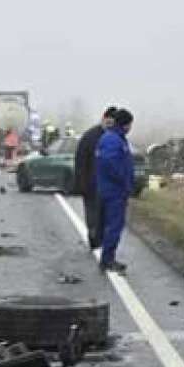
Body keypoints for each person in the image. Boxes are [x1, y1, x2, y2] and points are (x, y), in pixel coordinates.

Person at [95, 108, 134, 273]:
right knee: (114, 226)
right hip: (114, 191)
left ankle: (108, 257)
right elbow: (110, 163)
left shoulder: (114, 138)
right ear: (125, 124)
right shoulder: (113, 140)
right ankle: (107, 259)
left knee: (112, 225)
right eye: (130, 124)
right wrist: (122, 179)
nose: (131, 127)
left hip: (112, 189)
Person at [75, 106, 118, 250]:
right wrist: (82, 183)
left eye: (113, 124)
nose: (110, 126)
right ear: (103, 119)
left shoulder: (115, 138)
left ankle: (102, 240)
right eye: (108, 123)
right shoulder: (90, 137)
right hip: (91, 185)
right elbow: (80, 161)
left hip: (107, 186)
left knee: (105, 216)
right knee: (92, 215)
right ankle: (94, 239)